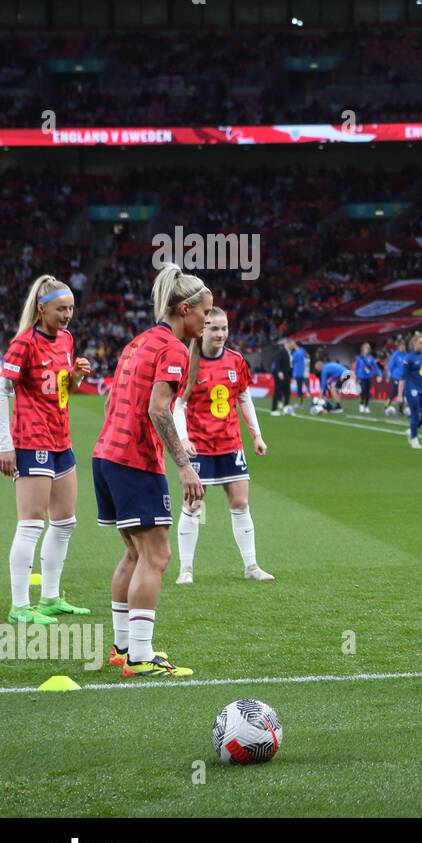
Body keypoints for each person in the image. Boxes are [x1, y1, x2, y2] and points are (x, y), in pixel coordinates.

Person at [93, 264, 210, 678]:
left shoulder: (137, 342)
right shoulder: (174, 348)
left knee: (134, 553)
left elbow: (111, 405)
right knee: (157, 556)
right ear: (184, 309)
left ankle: (122, 647)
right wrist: (184, 466)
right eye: (204, 313)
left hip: (106, 455)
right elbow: (158, 409)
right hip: (134, 461)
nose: (207, 320)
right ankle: (141, 657)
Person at [1, 275, 95, 625]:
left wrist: (76, 376)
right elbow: (2, 391)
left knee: (66, 521)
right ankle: (20, 605)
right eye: (61, 308)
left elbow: (61, 386)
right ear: (41, 309)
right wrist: (4, 445)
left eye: (71, 308)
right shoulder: (23, 343)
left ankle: (51, 597)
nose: (68, 314)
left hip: (61, 439)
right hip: (31, 440)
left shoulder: (67, 339)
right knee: (31, 524)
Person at [172, 307, 274, 585]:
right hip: (199, 447)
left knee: (241, 503)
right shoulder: (188, 361)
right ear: (202, 329)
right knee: (194, 505)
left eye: (224, 328)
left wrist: (257, 435)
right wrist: (183, 438)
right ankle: (186, 569)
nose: (220, 334)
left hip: (230, 443)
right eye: (214, 328)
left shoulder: (236, 360)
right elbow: (178, 404)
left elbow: (243, 398)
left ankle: (251, 566)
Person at [397, 333, 422, 449]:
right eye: (420, 343)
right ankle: (414, 439)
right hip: (412, 388)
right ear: (414, 343)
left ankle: (412, 430)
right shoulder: (408, 358)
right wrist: (400, 395)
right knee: (415, 412)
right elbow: (402, 378)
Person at [353, 342, 380, 414]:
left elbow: (375, 367)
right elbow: (356, 367)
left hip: (368, 376)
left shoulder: (371, 358)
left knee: (368, 392)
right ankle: (361, 404)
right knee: (363, 390)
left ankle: (366, 406)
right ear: (362, 349)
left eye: (368, 348)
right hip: (361, 376)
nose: (367, 350)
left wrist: (379, 374)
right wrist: (355, 375)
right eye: (365, 348)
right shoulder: (359, 358)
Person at [384, 339, 408, 417]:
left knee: (403, 394)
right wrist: (388, 376)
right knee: (394, 392)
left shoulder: (406, 355)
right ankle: (386, 406)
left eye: (403, 346)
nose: (402, 347)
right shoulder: (395, 355)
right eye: (401, 346)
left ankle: (400, 410)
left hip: (404, 378)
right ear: (399, 346)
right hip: (396, 377)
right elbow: (390, 366)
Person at [270, 339, 292, 416]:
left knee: (287, 392)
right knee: (277, 391)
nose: (293, 345)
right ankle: (273, 410)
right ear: (288, 343)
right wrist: (279, 372)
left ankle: (286, 409)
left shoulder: (289, 352)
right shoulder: (282, 351)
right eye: (292, 343)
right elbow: (277, 361)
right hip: (280, 375)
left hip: (287, 375)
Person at [290, 341, 309, 410]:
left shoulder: (297, 352)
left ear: (296, 345)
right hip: (301, 372)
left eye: (293, 344)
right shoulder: (302, 351)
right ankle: (300, 403)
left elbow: (292, 361)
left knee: (299, 388)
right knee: (300, 388)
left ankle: (300, 403)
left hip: (299, 372)